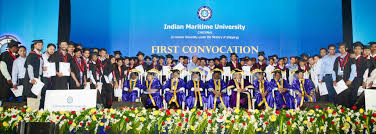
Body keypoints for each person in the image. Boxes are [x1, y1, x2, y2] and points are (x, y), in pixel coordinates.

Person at [23, 40, 44, 110]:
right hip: (32, 79)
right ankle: (31, 116)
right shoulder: (31, 55)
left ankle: (36, 115)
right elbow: (30, 67)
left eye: (41, 45)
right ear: (34, 45)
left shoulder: (40, 55)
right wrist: (31, 78)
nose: (40, 46)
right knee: (31, 97)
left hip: (38, 78)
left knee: (38, 97)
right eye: (38, 44)